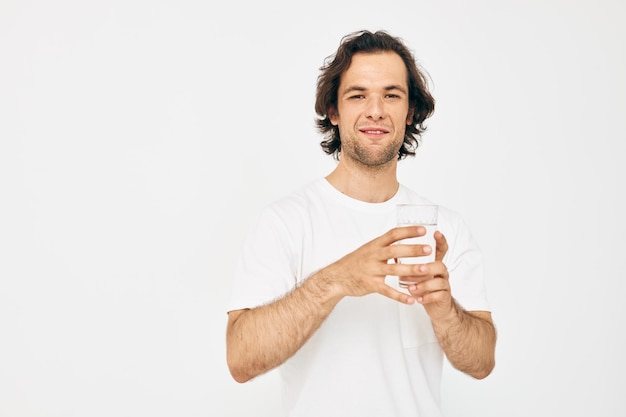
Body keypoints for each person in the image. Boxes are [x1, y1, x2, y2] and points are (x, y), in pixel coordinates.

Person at [226, 29, 496, 417]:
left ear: (410, 111)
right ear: (333, 111)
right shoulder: (284, 222)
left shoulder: (444, 229)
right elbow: (240, 360)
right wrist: (337, 279)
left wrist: (444, 310)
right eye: (358, 95)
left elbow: (481, 362)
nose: (376, 110)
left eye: (391, 94)